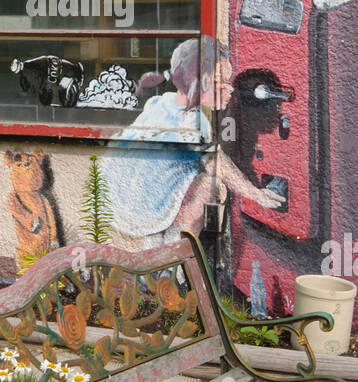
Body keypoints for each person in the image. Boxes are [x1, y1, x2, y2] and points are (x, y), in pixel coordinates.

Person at [100, 38, 283, 247]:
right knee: (210, 185)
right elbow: (218, 165)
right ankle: (176, 257)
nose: (229, 90)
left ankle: (151, 252)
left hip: (115, 205)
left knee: (184, 174)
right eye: (220, 82)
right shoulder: (192, 120)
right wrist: (256, 194)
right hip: (142, 212)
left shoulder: (160, 103)